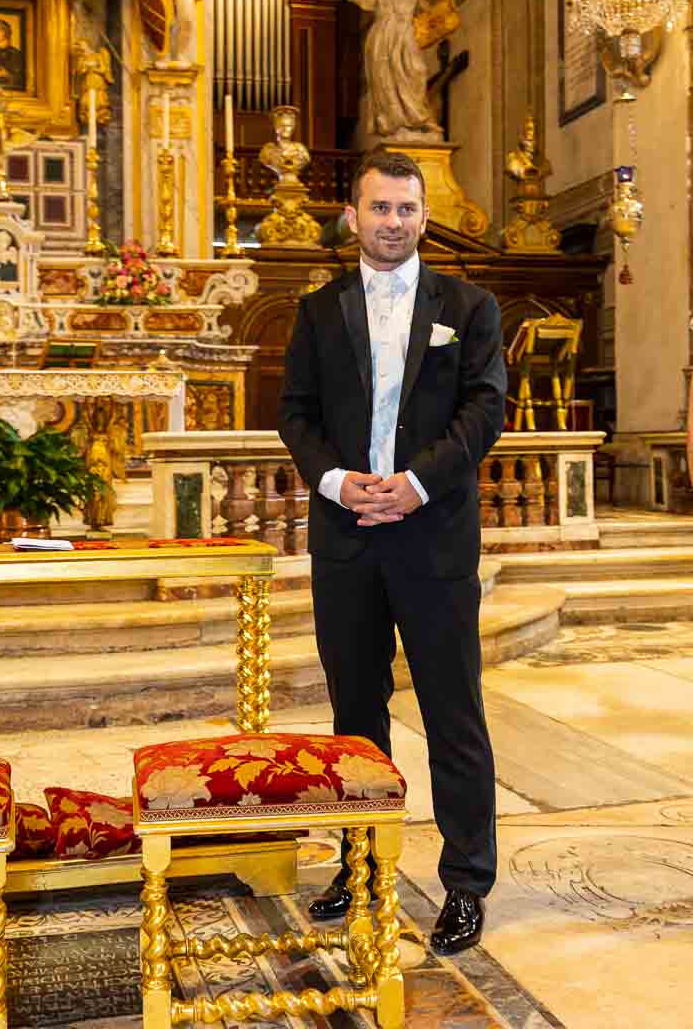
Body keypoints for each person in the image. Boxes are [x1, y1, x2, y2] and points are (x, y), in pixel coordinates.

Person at [278, 150, 506, 955]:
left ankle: (467, 883)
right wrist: (337, 482)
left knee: (454, 713)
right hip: (346, 537)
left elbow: (485, 411)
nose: (394, 223)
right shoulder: (317, 309)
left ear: (421, 217)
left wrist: (415, 484)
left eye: (407, 210)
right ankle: (362, 864)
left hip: (434, 535)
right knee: (355, 717)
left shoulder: (469, 306)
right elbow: (296, 413)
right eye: (379, 209)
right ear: (352, 216)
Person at [331, 0, 441, 139]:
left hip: (406, 37)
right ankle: (397, 122)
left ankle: (419, 118)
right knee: (388, 82)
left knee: (416, 71)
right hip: (383, 40)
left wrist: (438, 16)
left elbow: (425, 10)